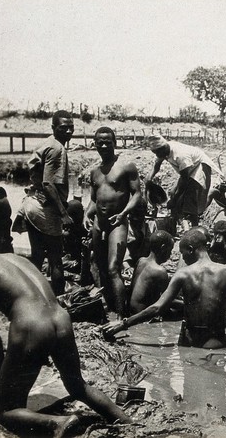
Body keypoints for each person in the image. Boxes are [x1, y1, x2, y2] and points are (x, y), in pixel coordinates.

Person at [0, 214, 131, 437]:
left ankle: (59, 423)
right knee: (77, 386)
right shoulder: (13, 258)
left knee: (8, 411)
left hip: (31, 326)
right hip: (61, 319)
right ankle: (127, 422)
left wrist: (2, 363)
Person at [102, 228, 226, 349]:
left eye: (183, 254)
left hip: (188, 342)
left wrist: (122, 325)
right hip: (217, 342)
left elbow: (157, 308)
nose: (182, 258)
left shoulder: (182, 274)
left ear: (191, 250)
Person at [83, 127, 142, 318]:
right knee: (99, 266)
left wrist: (124, 213)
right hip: (99, 224)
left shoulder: (126, 167)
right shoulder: (95, 172)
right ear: (95, 144)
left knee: (113, 268)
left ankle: (120, 314)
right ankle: (107, 307)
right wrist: (86, 215)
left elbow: (137, 194)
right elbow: (94, 200)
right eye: (100, 142)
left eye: (108, 141)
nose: (104, 145)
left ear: (115, 143)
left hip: (118, 222)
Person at [18, 110, 74, 295]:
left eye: (70, 127)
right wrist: (63, 214)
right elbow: (48, 184)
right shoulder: (57, 149)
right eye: (63, 128)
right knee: (56, 259)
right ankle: (57, 302)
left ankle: (27, 294)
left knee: (37, 254)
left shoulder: (47, 144)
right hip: (44, 206)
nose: (68, 131)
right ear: (53, 128)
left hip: (31, 203)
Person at [145, 135, 221, 229]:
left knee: (190, 197)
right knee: (173, 192)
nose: (157, 155)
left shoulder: (180, 155)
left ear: (163, 148)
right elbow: (156, 166)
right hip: (188, 168)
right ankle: (174, 222)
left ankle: (194, 227)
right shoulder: (163, 150)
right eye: (154, 153)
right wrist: (149, 179)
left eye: (157, 153)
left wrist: (174, 200)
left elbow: (185, 179)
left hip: (199, 166)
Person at [128, 230, 174, 314]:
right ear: (163, 248)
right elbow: (167, 301)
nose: (170, 254)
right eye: (170, 250)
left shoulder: (141, 261)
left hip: (131, 312)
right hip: (142, 316)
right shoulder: (160, 271)